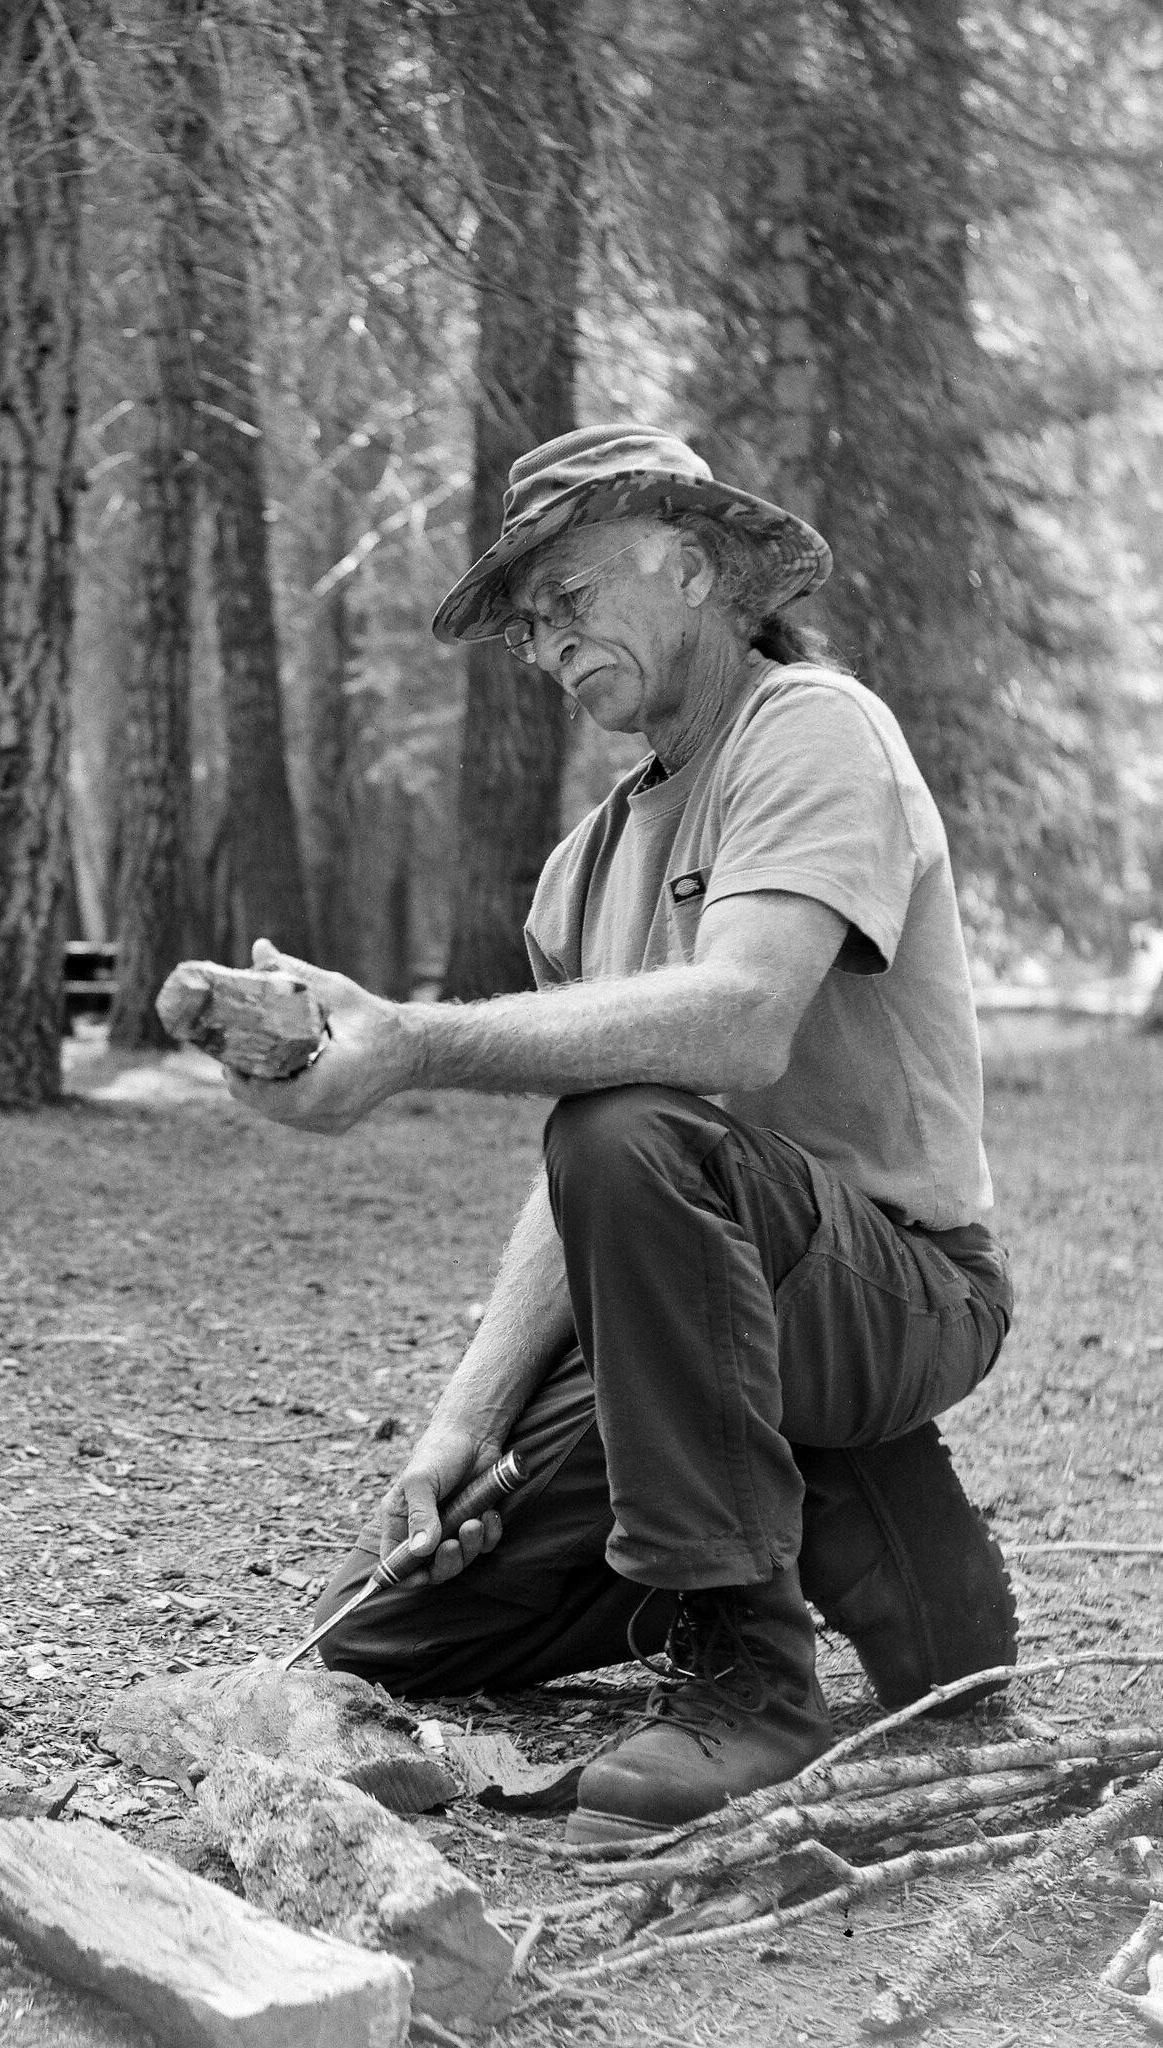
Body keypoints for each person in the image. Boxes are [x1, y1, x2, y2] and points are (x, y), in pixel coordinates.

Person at [227, 422, 1016, 1844]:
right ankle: (851, 1517)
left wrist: (411, 1044)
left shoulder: (814, 728)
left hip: (896, 1286)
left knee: (632, 1130)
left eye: (569, 598)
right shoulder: (579, 870)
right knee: (382, 1631)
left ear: (698, 567)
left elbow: (738, 1027)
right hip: (693, 1312)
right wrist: (463, 1422)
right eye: (525, 625)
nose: (544, 644)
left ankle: (750, 1677)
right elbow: (575, 1183)